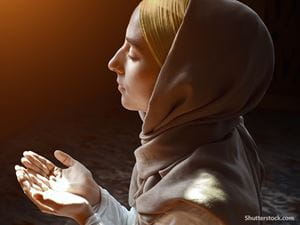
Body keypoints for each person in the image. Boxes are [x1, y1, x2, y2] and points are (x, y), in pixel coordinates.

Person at [15, 0, 275, 224]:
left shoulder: (196, 209)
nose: (113, 63)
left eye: (134, 53)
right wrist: (95, 198)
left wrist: (86, 216)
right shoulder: (217, 134)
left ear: (183, 78)